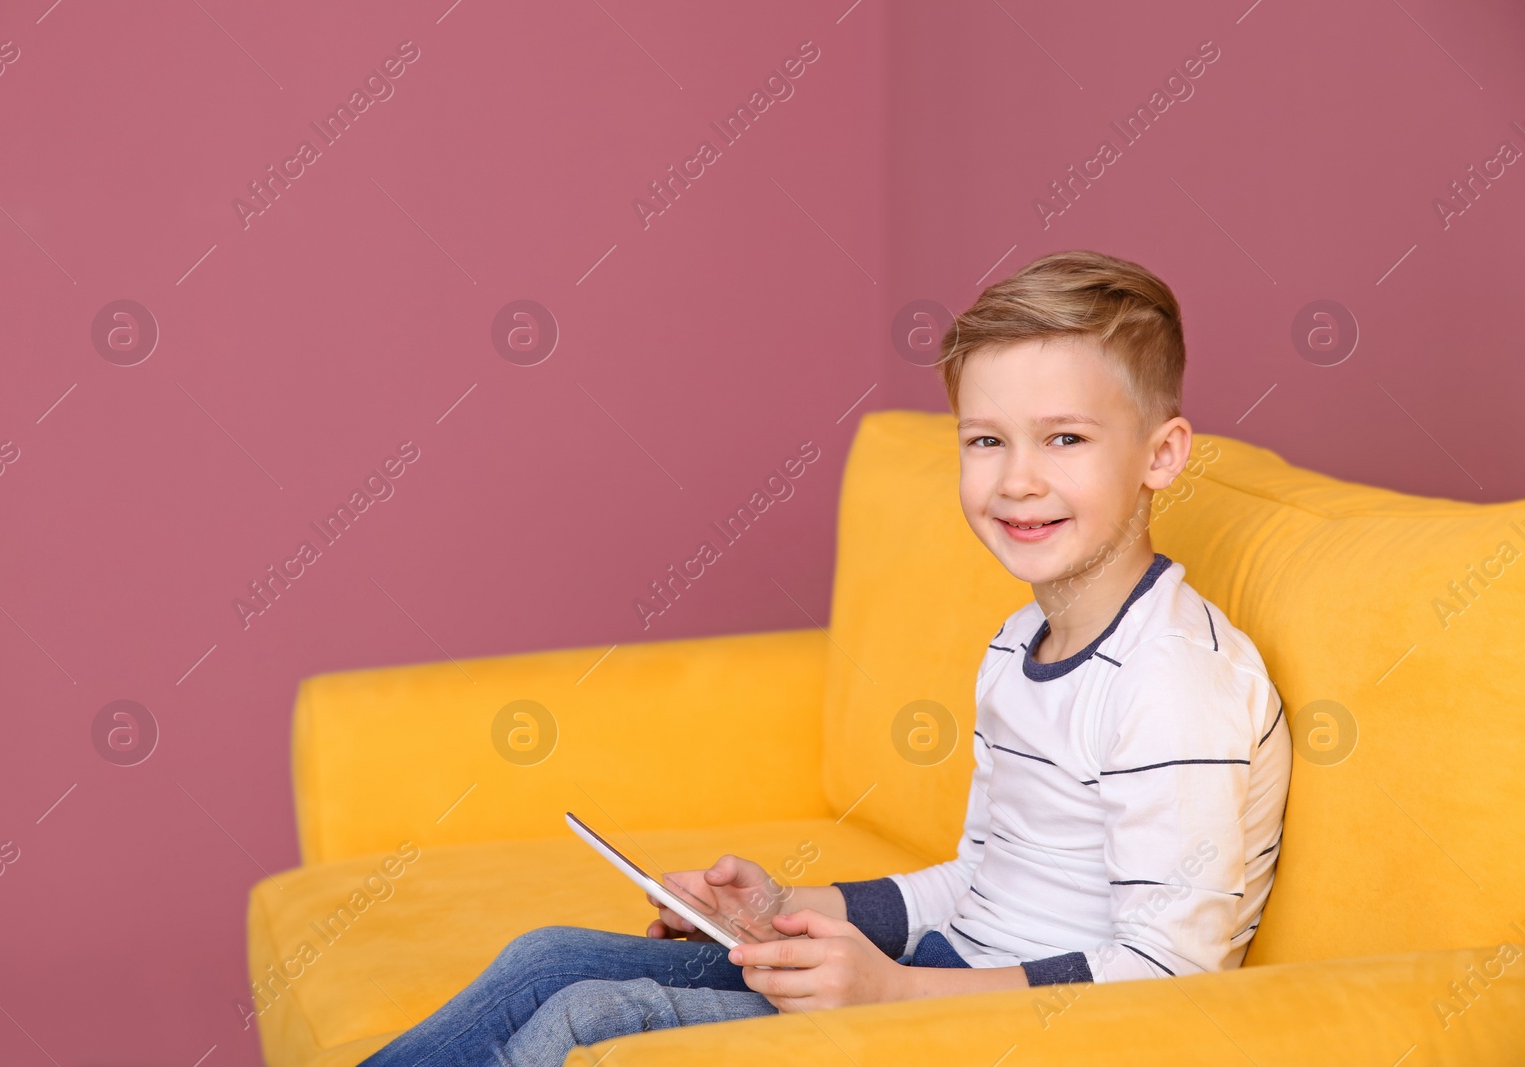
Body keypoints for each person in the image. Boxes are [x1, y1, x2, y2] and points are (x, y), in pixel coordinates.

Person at [356, 249, 1292, 1066]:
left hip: (1011, 1029)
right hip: (939, 984)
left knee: (594, 1014)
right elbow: (983, 880)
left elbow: (1173, 970)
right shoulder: (1022, 645)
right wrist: (788, 905)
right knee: (549, 957)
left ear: (1163, 455)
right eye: (985, 440)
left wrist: (894, 997)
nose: (1017, 479)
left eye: (1065, 439)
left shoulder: (1174, 678)